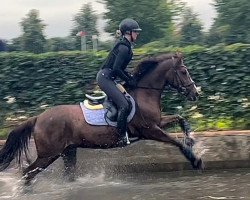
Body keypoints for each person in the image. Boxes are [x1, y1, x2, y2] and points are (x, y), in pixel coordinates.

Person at [96, 18, 142, 146]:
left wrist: (131, 77)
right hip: (105, 78)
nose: (137, 34)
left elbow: (120, 69)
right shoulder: (123, 47)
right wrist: (128, 79)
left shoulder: (126, 47)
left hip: (110, 78)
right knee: (124, 105)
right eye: (135, 32)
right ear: (128, 32)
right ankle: (120, 137)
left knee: (128, 100)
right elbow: (116, 68)